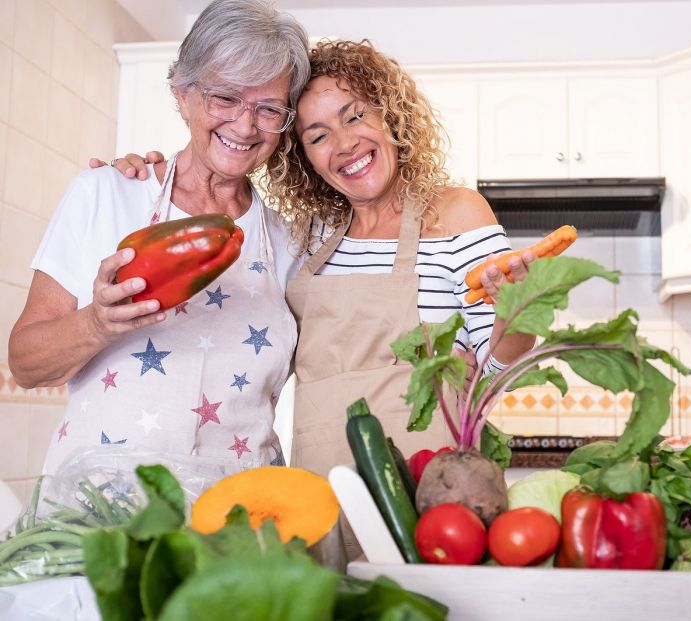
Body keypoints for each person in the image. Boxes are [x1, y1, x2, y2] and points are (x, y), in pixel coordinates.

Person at [102, 39, 537, 477]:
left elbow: (500, 371)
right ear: (304, 158)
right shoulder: (305, 238)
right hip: (323, 489)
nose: (345, 144)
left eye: (355, 116)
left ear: (389, 115)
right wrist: (148, 174)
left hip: (436, 487)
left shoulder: (456, 213)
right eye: (318, 136)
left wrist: (515, 309)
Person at [8, 0, 311, 475]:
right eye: (225, 97)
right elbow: (25, 366)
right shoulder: (105, 194)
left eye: (268, 108)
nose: (245, 125)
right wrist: (97, 324)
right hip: (102, 518)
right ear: (182, 93)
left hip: (236, 524)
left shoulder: (293, 244)